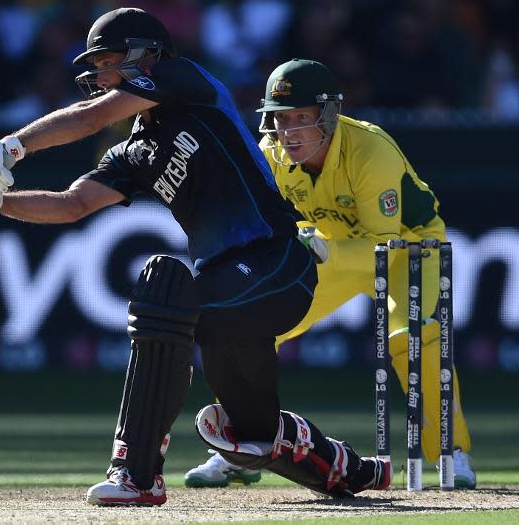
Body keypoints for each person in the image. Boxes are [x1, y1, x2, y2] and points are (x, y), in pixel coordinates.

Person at [0, 10, 391, 506]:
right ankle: (342, 465)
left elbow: (91, 117)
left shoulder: (185, 79)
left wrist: (12, 147)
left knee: (165, 288)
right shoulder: (134, 151)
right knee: (251, 433)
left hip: (277, 262)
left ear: (147, 54)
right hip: (226, 289)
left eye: (109, 62)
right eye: (95, 67)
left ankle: (137, 473)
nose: (100, 77)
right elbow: (72, 203)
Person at [184, 58, 476, 490]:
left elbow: (384, 246)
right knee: (245, 328)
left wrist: (324, 249)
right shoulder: (272, 157)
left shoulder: (370, 149)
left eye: (301, 118)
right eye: (281, 119)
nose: (290, 132)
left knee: (411, 336)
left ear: (329, 115)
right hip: (327, 250)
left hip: (410, 246)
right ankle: (244, 447)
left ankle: (450, 451)